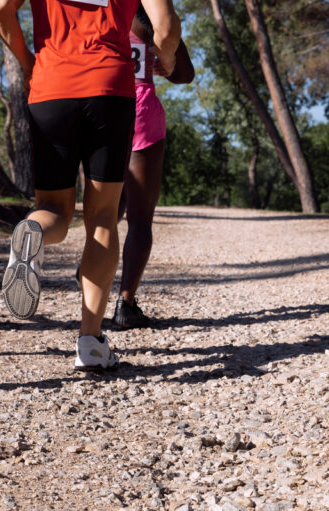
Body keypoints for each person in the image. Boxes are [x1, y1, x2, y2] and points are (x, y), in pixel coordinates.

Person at [0, 0, 180, 370]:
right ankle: (90, 342)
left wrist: (29, 61)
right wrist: (167, 61)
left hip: (51, 87)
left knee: (53, 209)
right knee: (104, 217)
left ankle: (33, 232)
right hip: (110, 88)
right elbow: (167, 27)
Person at [112, 8, 194, 329]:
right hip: (141, 111)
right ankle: (126, 304)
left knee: (107, 207)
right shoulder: (147, 15)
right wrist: (166, 64)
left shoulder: (94, 10)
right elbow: (186, 73)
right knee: (140, 218)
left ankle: (88, 281)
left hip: (100, 107)